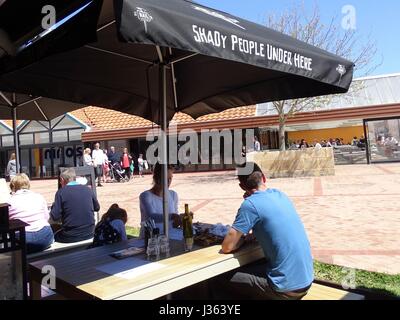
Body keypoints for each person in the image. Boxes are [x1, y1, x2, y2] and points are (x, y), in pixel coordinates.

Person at [212, 162, 313, 300]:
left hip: (285, 290)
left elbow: (227, 246)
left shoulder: (250, 205)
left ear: (242, 187)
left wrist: (242, 240)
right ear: (264, 178)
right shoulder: (280, 195)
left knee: (219, 277)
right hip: (306, 281)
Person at [50, 168, 100, 243]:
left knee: (51, 231)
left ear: (62, 180)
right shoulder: (88, 189)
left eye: (60, 181)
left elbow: (55, 216)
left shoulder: (61, 193)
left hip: (70, 235)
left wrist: (54, 206)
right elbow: (97, 208)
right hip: (90, 232)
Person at [7, 174, 54, 253]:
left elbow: (6, 222)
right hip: (45, 236)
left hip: (23, 239)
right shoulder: (39, 197)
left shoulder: (10, 202)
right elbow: (47, 218)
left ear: (13, 186)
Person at [139, 163, 179, 236]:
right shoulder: (145, 196)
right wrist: (173, 216)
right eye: (165, 178)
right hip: (150, 240)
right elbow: (152, 216)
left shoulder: (173, 195)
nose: (169, 182)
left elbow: (175, 221)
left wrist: (181, 219)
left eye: (170, 178)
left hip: (170, 237)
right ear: (156, 178)